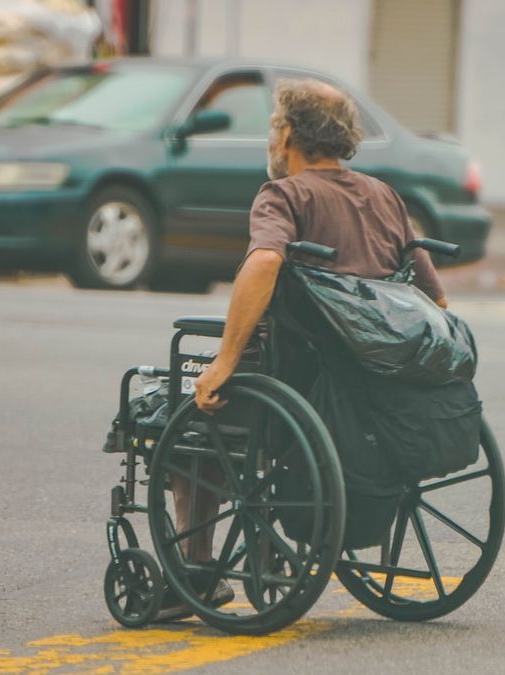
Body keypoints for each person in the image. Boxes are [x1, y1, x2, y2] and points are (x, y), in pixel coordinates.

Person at [157, 78, 447, 621]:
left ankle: (196, 570)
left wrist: (222, 363)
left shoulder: (285, 196)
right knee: (235, 402)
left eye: (275, 127)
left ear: (287, 133)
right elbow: (433, 297)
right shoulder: (384, 196)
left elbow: (264, 263)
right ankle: (269, 551)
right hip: (369, 386)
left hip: (295, 381)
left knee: (187, 419)